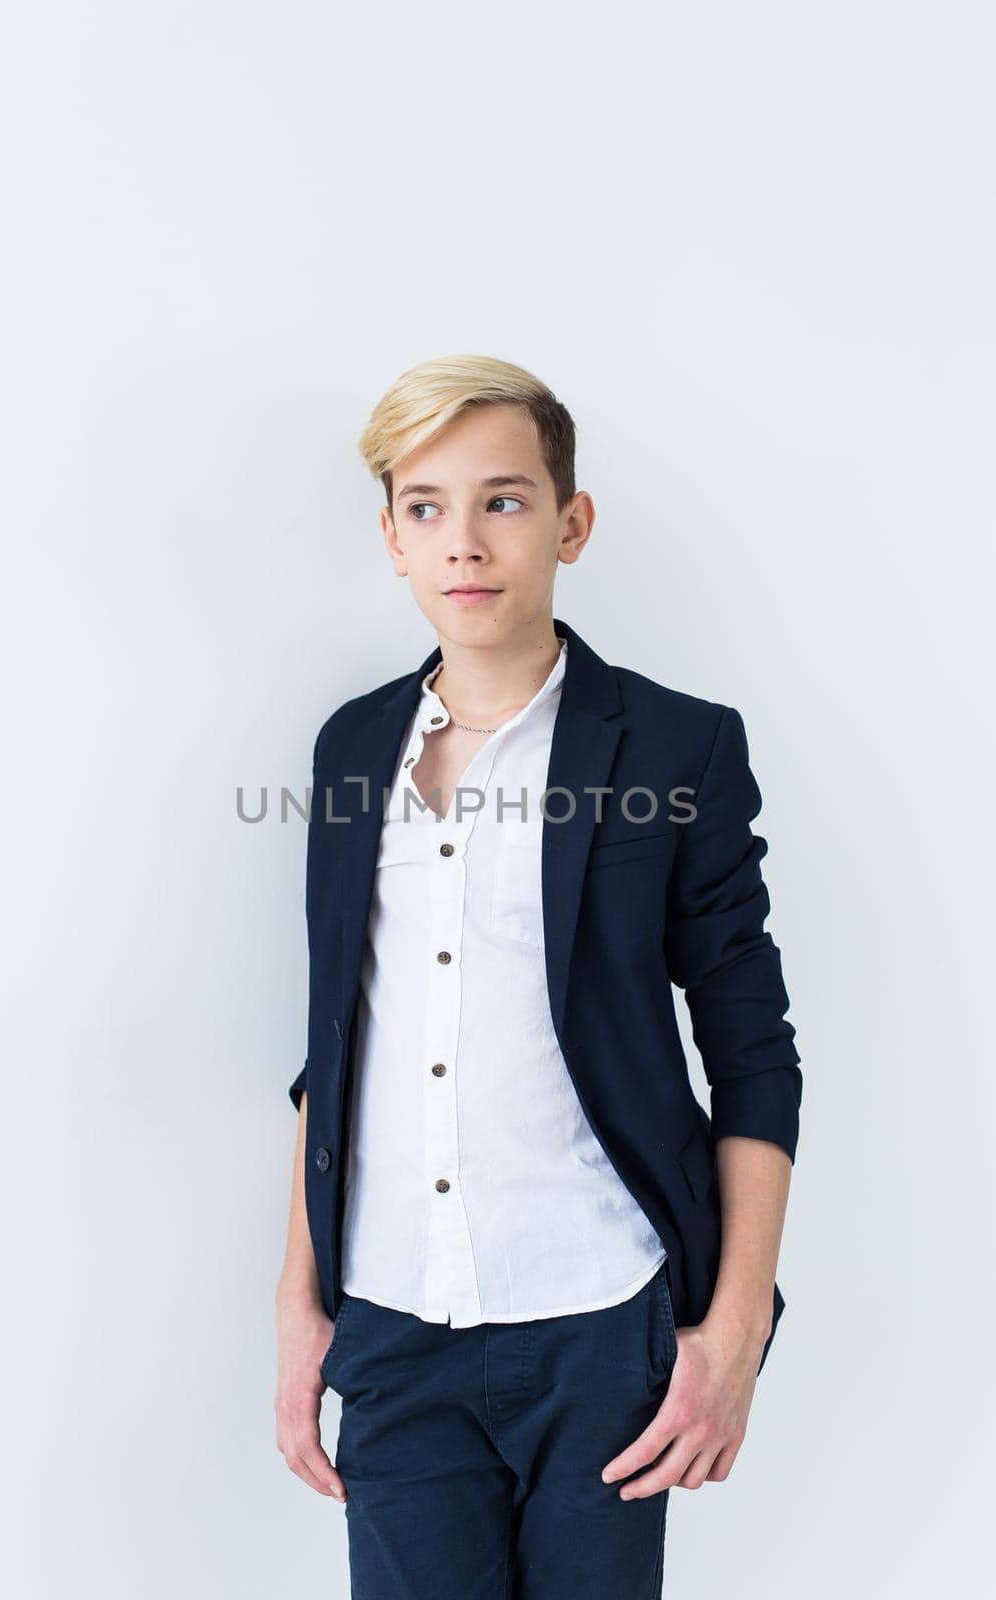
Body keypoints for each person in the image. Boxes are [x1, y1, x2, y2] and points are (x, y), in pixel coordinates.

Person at [274, 353, 802, 1597]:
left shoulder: (676, 746)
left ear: (570, 523)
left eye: (503, 500)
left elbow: (752, 1053)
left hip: (601, 1323)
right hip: (393, 1327)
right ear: (393, 537)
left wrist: (731, 1333)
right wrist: (298, 1314)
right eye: (425, 506)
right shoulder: (352, 748)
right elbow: (332, 1051)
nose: (464, 540)